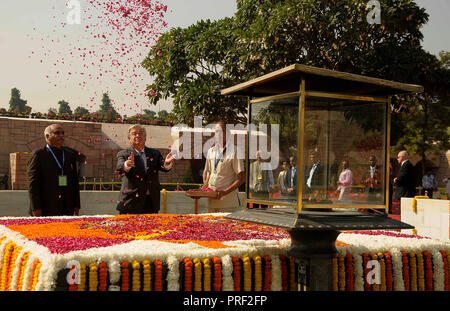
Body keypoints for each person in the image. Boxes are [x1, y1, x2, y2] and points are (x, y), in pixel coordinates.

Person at [116, 125, 175, 214]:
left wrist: (167, 163)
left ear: (145, 137)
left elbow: (164, 167)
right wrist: (127, 164)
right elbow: (120, 167)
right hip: (130, 203)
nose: (137, 136)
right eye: (134, 133)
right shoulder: (123, 154)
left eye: (141, 133)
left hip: (151, 203)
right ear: (129, 138)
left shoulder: (154, 153)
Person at [27, 124, 81, 216]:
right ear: (47, 136)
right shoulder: (38, 155)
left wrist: (76, 204)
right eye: (57, 133)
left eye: (62, 133)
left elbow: (74, 181)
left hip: (67, 207)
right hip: (45, 208)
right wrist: (35, 208)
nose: (61, 135)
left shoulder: (70, 155)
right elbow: (33, 184)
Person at [203, 121, 245, 213]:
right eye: (216, 131)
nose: (218, 134)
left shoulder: (235, 151)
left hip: (227, 204)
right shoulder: (211, 151)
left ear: (228, 133)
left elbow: (241, 178)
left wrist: (224, 192)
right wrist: (203, 190)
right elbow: (208, 173)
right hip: (211, 202)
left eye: (221, 131)